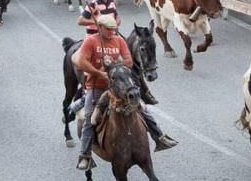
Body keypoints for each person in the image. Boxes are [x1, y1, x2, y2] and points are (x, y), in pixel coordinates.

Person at [75, 15, 177, 171]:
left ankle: (159, 137)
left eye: (113, 29)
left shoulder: (119, 41)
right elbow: (81, 61)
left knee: (142, 108)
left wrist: (113, 67)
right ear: (100, 27)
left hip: (119, 86)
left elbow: (129, 61)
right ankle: (85, 155)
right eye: (108, 29)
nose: (112, 32)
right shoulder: (91, 41)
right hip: (97, 86)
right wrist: (99, 71)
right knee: (89, 118)